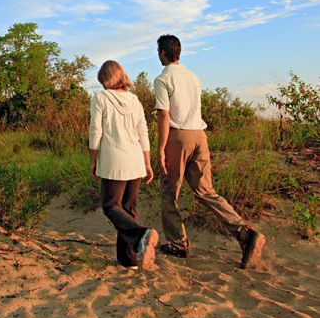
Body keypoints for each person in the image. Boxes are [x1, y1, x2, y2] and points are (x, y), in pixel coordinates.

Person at [154, 34, 265, 268]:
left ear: (163, 53)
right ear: (178, 52)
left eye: (159, 51)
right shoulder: (193, 77)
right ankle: (244, 233)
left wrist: (161, 149)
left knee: (169, 191)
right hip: (200, 136)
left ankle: (178, 244)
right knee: (205, 191)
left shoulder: (163, 79)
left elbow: (164, 115)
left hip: (179, 137)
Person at [89, 60, 158, 270]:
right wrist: (147, 162)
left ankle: (141, 235)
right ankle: (128, 260)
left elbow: (96, 131)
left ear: (106, 79)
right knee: (128, 208)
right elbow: (143, 132)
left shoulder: (100, 98)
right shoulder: (134, 100)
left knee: (111, 206)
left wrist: (93, 160)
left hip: (114, 160)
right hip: (136, 158)